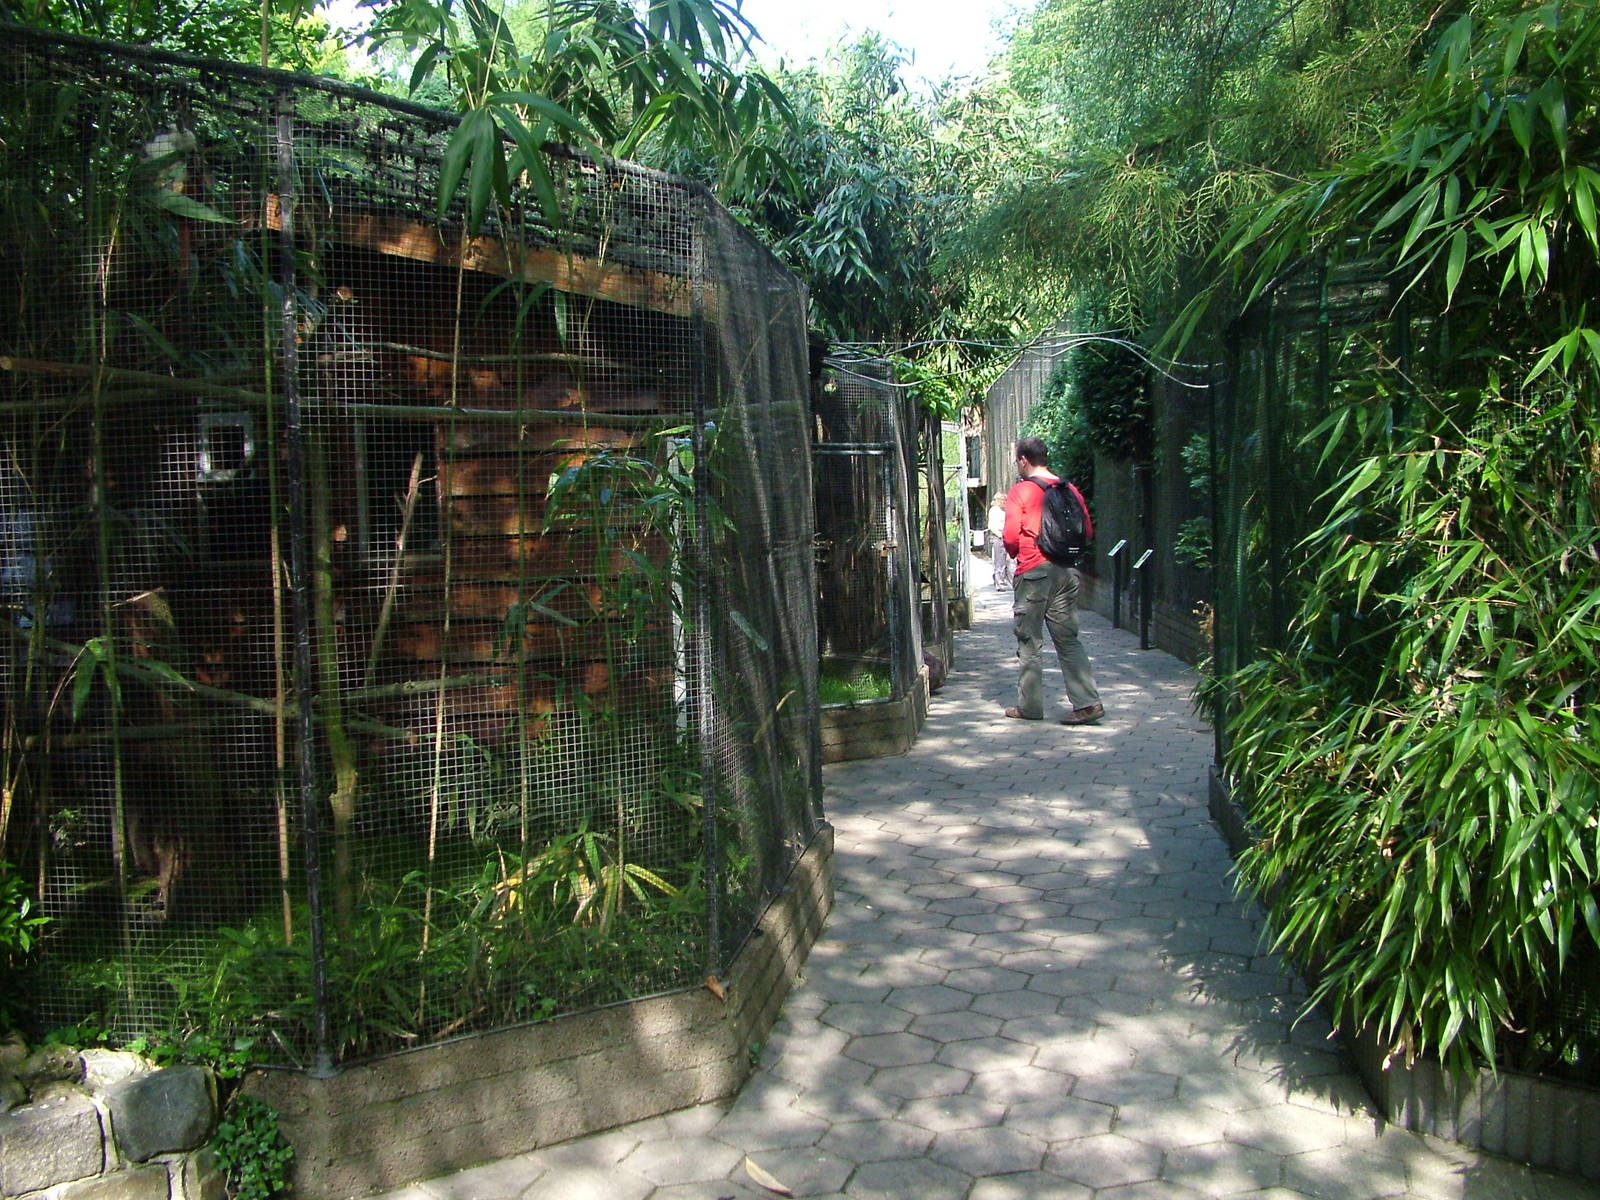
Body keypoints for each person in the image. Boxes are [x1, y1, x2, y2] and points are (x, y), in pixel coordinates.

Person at [1001, 437, 1104, 725]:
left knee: (1029, 640)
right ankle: (1087, 703)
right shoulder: (1069, 489)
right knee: (1068, 639)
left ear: (1023, 460)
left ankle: (1030, 706)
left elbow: (1010, 537)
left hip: (1034, 572)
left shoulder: (1020, 491)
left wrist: (1017, 554)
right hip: (1067, 571)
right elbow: (1088, 531)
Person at [986, 494, 1013, 590]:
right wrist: (1000, 535)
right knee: (999, 561)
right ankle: (999, 583)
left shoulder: (1004, 510)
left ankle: (1007, 581)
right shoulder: (994, 511)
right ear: (998, 500)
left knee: (1009, 561)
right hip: (999, 537)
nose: (1004, 502)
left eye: (1005, 500)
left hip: (1006, 536)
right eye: (1003, 500)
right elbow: (991, 526)